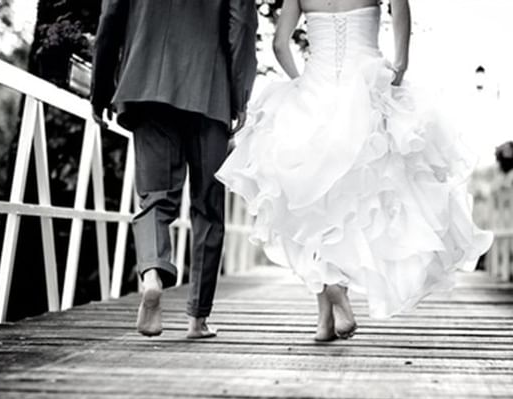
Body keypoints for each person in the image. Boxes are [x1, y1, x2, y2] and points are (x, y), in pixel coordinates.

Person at [216, 0, 494, 341]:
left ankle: (324, 318)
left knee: (315, 203)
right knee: (356, 205)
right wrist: (400, 65)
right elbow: (400, 6)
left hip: (315, 92)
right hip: (365, 88)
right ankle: (335, 293)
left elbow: (279, 43)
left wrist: (298, 81)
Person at [90, 0, 258, 338]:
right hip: (209, 90)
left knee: (155, 198)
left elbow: (110, 17)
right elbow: (241, 25)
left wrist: (100, 91)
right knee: (208, 207)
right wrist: (239, 95)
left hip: (146, 83)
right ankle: (197, 318)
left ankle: (152, 274)